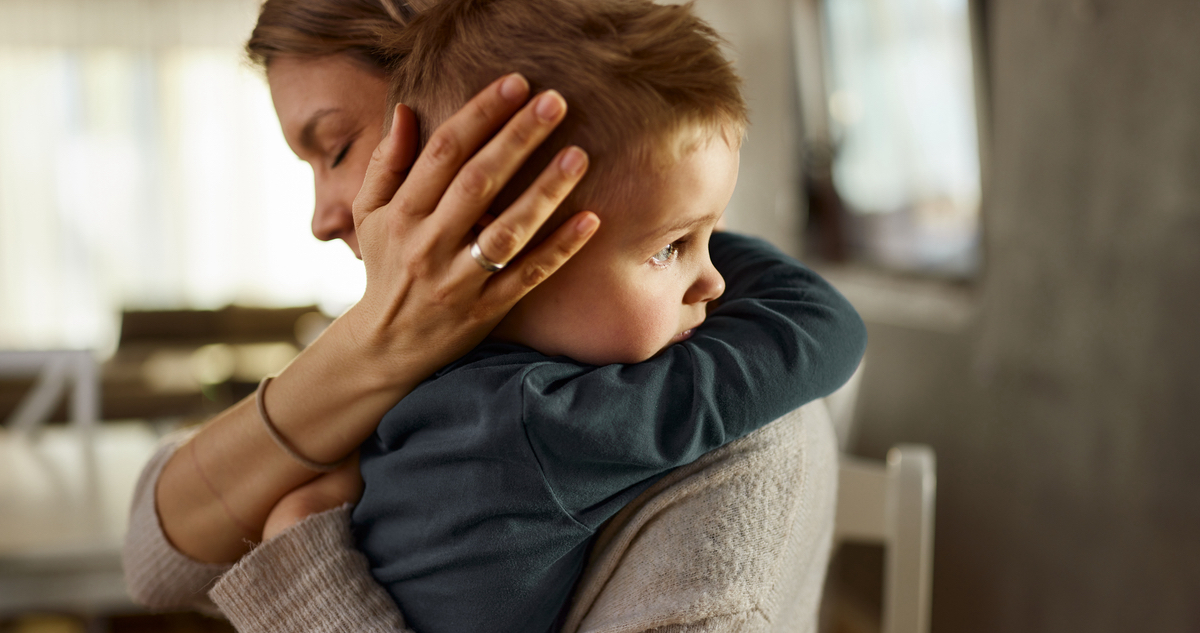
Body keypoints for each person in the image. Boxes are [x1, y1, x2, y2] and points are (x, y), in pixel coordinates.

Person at [122, 0, 865, 629]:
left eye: (338, 147)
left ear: (488, 141)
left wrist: (301, 567)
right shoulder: (456, 349)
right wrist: (371, 348)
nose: (321, 217)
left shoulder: (696, 394)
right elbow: (155, 557)